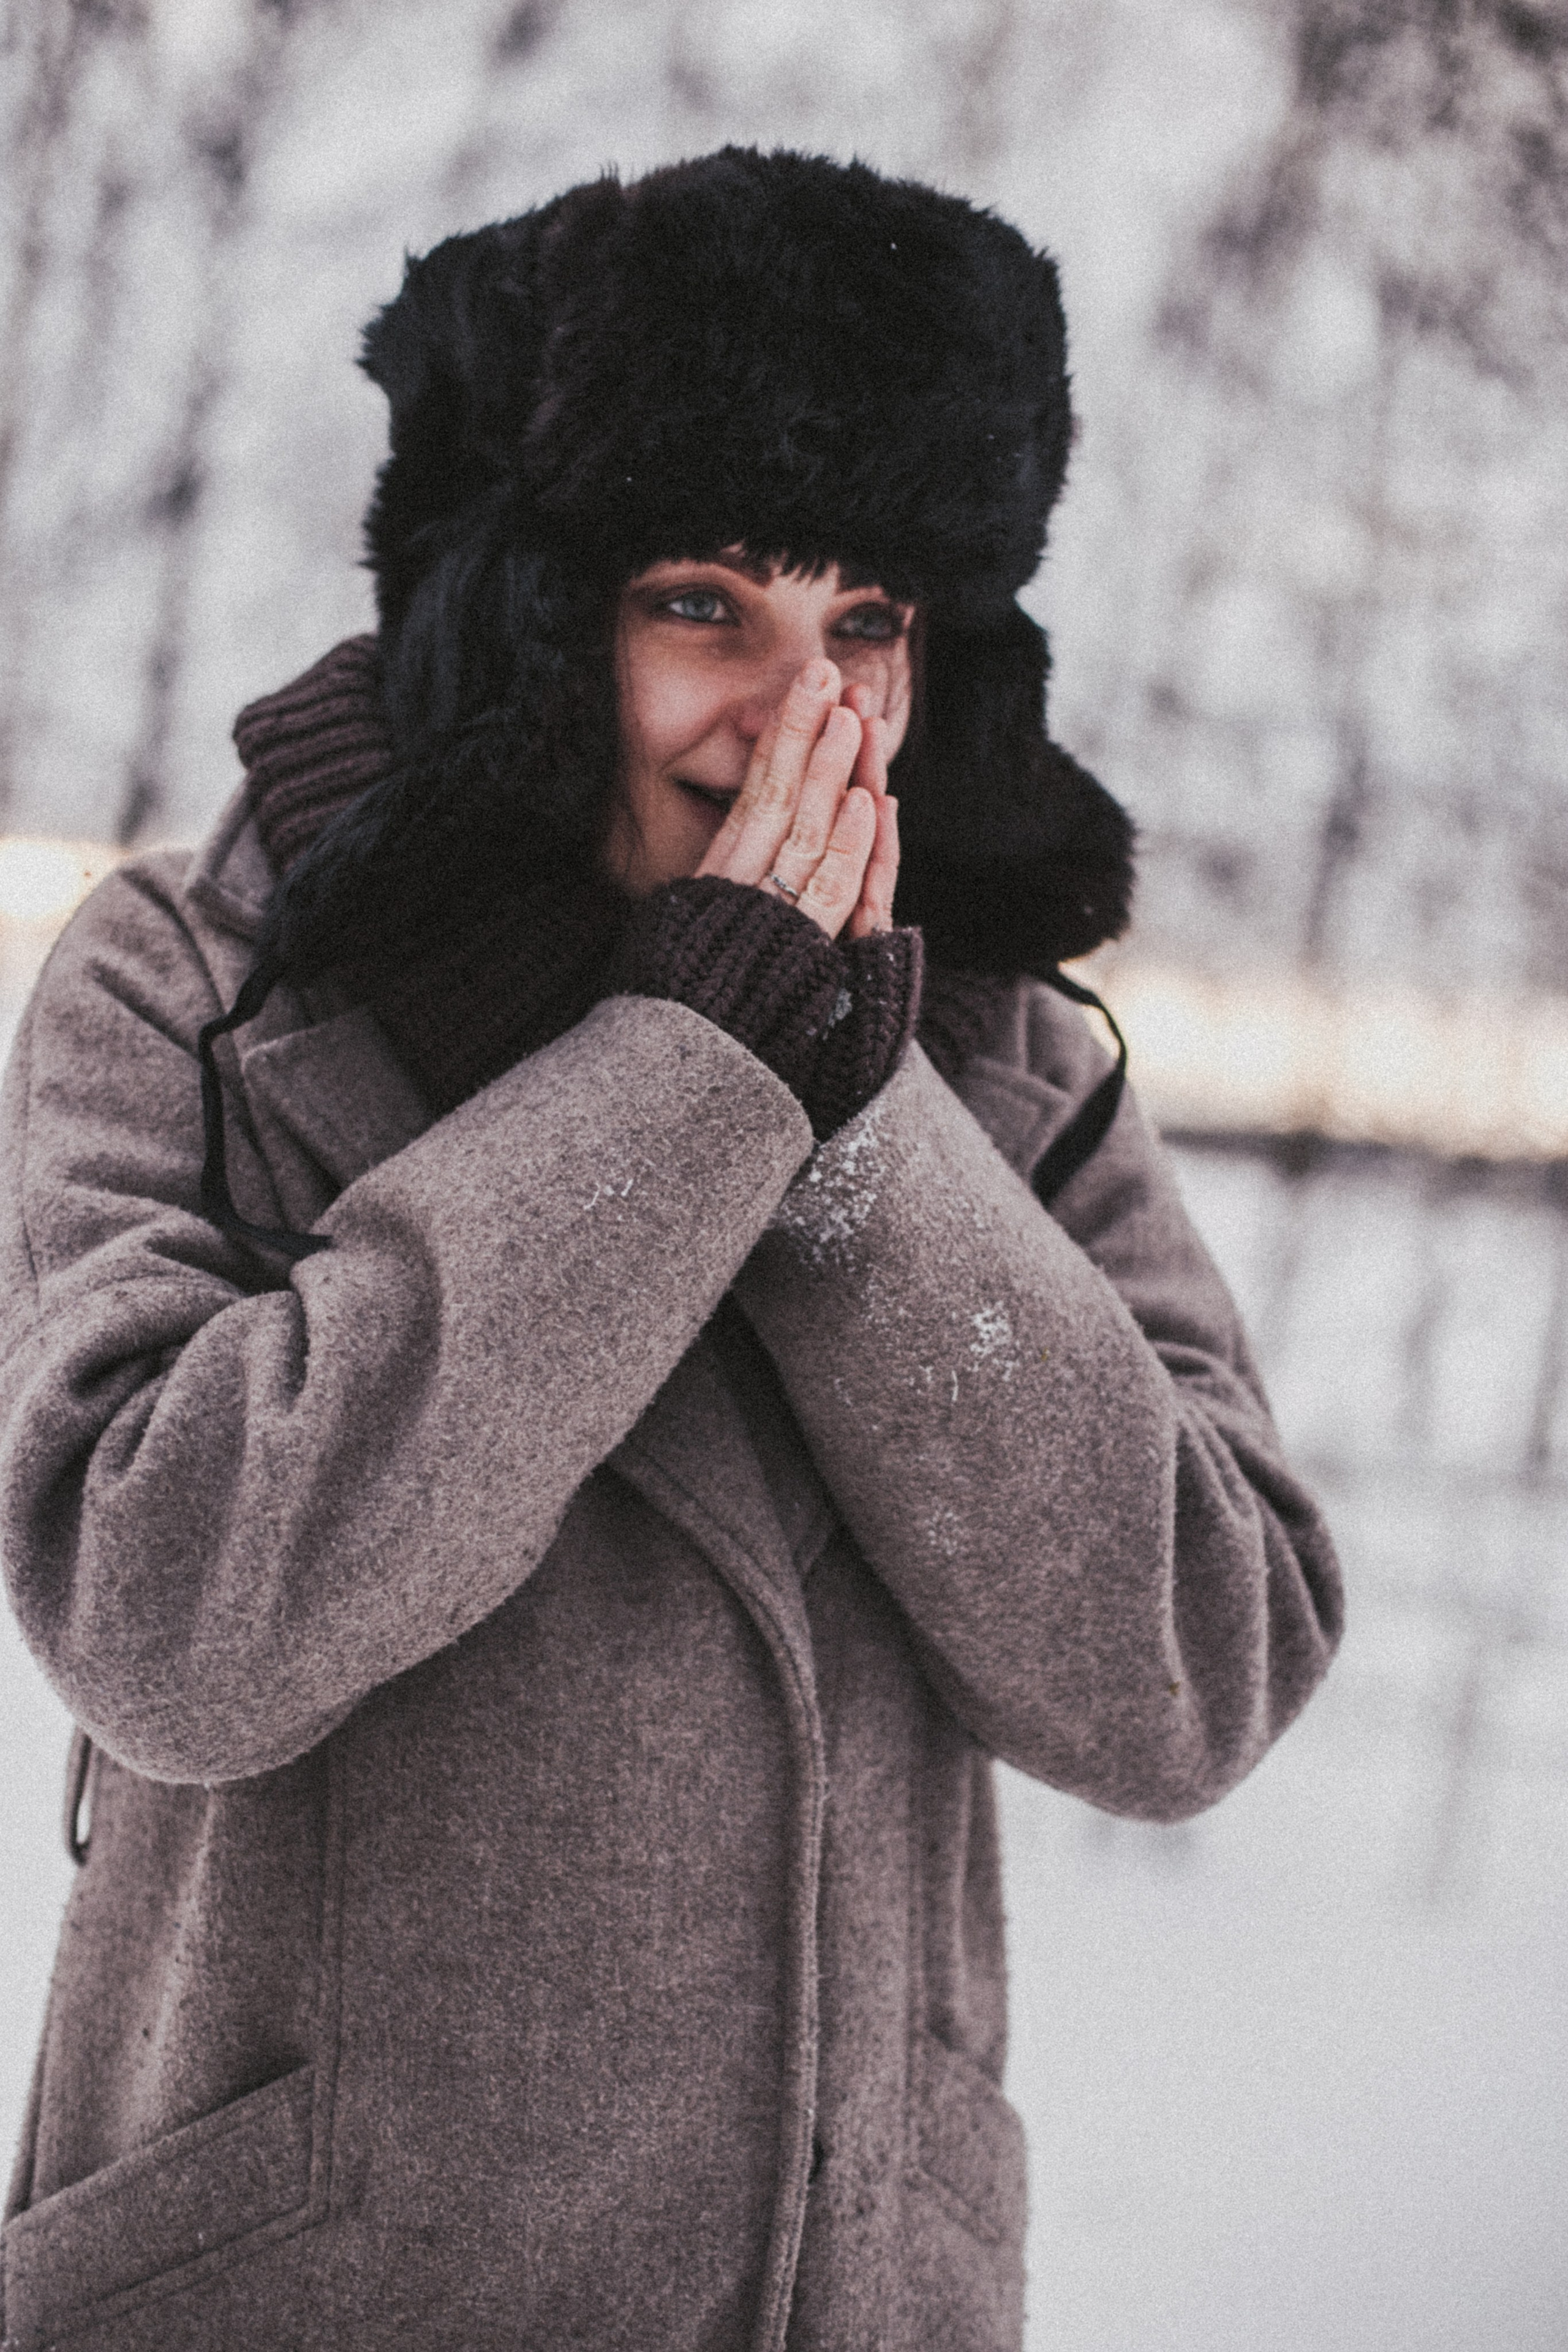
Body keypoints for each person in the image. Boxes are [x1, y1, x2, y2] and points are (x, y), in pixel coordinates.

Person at [0, 149, 1341, 2352]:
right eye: (705, 602)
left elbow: (1202, 1666)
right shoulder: (198, 981)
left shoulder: (1005, 1064)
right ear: (532, 628)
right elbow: (166, 1613)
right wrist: (688, 1082)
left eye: (869, 627)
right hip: (290, 2287)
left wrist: (851, 1133)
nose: (797, 721)